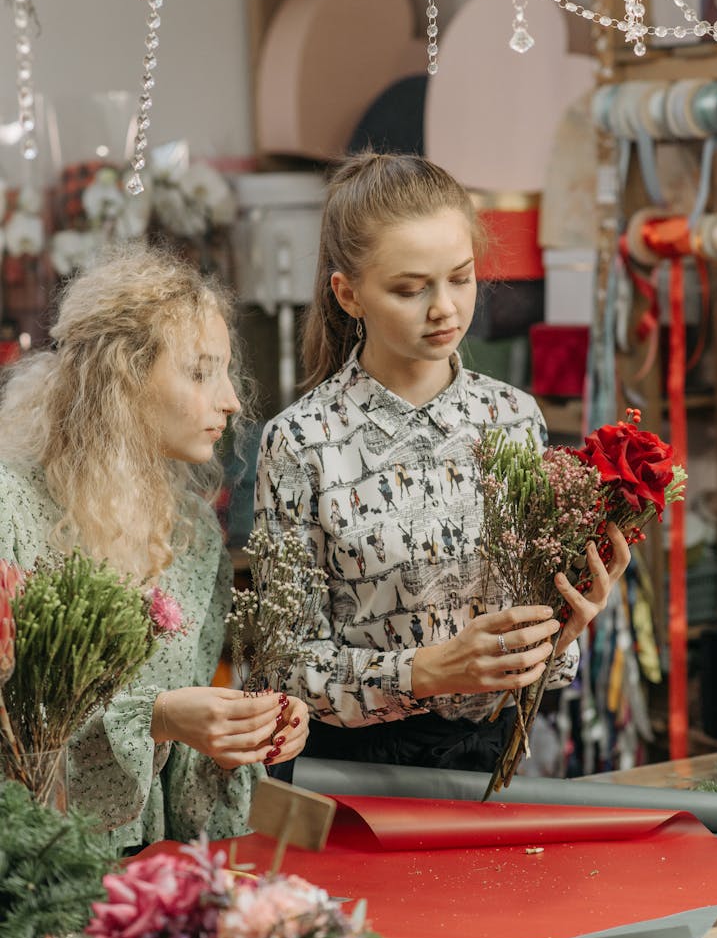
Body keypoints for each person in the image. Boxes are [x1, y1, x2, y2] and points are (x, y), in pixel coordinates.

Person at [253, 152, 629, 771]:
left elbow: (535, 649)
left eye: (461, 277)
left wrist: (561, 631)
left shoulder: (514, 419)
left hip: (496, 762)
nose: (445, 308)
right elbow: (282, 666)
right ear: (348, 294)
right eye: (410, 288)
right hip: (352, 771)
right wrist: (426, 672)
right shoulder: (302, 441)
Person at [0, 243, 309, 849]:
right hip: (28, 871)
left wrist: (238, 735)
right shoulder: (12, 507)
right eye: (200, 372)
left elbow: (177, 782)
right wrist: (158, 715)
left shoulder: (192, 535)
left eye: (225, 371)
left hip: (141, 871)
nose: (232, 400)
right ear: (122, 375)